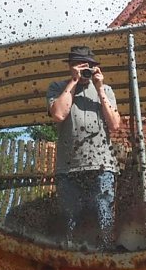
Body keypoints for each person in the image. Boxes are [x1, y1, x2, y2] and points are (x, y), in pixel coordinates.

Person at [47, 45, 121, 249]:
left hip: (102, 167)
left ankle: (106, 257)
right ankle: (71, 261)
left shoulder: (106, 90)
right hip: (68, 169)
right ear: (71, 67)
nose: (85, 70)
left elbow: (115, 124)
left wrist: (99, 88)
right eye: (80, 66)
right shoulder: (57, 87)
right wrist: (73, 81)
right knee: (69, 222)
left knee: (103, 215)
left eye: (88, 66)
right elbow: (59, 114)